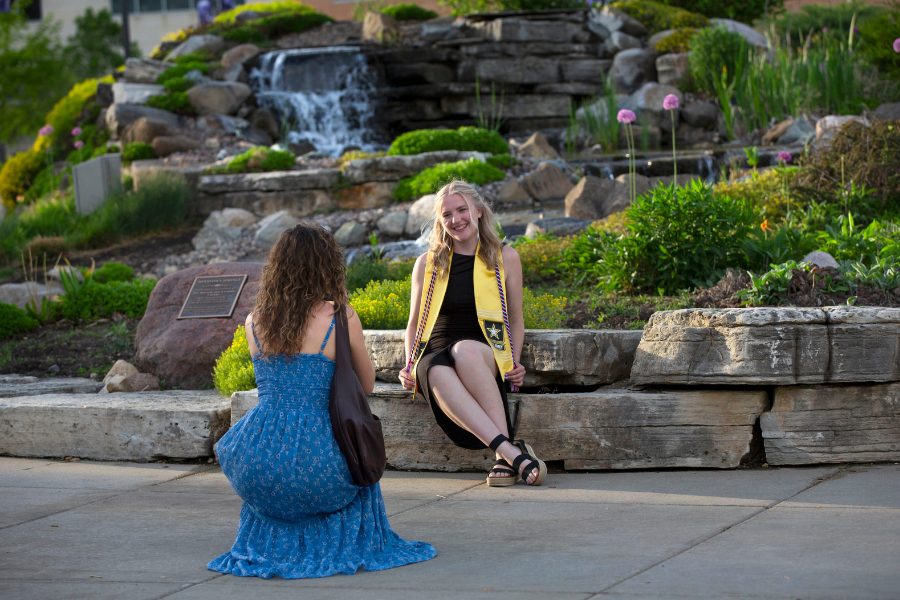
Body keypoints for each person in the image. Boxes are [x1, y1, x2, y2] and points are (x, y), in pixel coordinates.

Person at [208, 224, 436, 579]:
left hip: (258, 460)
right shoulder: (341, 317)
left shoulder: (255, 321)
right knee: (357, 462)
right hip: (317, 461)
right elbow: (366, 384)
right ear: (328, 265)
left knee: (281, 481)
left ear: (276, 268)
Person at [398, 180, 547, 487]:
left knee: (464, 351)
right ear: (440, 221)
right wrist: (410, 363)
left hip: (482, 349)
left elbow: (516, 321)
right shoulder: (427, 264)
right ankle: (509, 452)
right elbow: (413, 324)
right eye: (447, 214)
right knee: (435, 367)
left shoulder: (505, 257)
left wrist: (513, 363)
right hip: (435, 349)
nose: (456, 220)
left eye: (462, 210)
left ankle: (503, 454)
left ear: (478, 211)